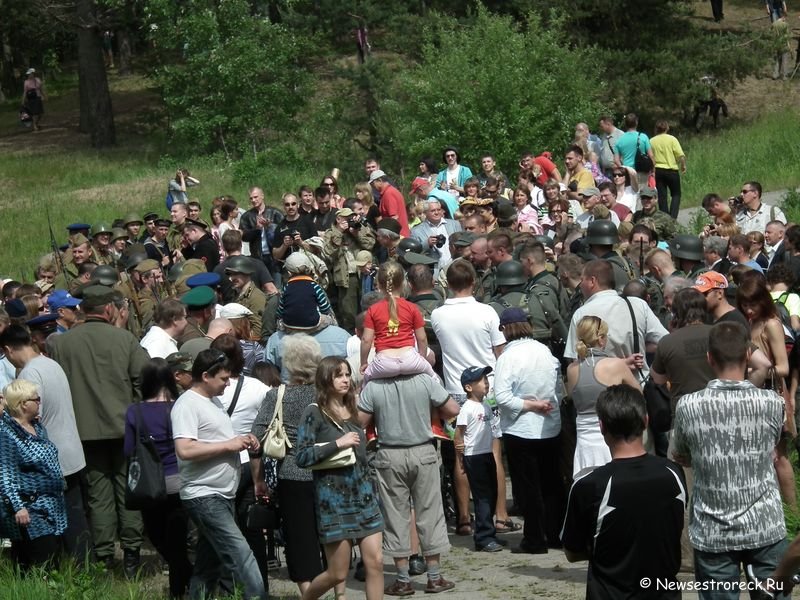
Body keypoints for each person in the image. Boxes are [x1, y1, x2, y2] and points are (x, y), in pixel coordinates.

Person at [671, 322, 787, 597]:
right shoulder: (771, 403)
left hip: (713, 530)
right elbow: (776, 448)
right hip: (765, 524)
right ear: (747, 355)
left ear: (709, 357)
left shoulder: (688, 405)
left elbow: (681, 455)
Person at [49, 285, 148, 574]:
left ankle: (104, 554)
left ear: (82, 310)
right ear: (109, 310)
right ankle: (131, 553)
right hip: (124, 429)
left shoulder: (62, 344)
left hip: (83, 432)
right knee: (128, 490)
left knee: (98, 495)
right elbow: (143, 379)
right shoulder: (125, 339)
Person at [561, 383, 686, 599]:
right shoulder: (673, 472)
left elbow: (572, 552)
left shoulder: (588, 485)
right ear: (646, 421)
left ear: (601, 427)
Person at [250, 336, 345, 596]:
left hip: (291, 474)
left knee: (300, 541)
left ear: (288, 363)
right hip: (329, 470)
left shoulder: (277, 395)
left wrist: (258, 479)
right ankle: (340, 593)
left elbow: (256, 437)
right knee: (334, 536)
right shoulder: (327, 394)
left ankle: (309, 593)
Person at [171, 349, 266, 600]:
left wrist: (245, 440)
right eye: (223, 378)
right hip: (204, 495)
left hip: (222, 494)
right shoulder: (187, 405)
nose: (228, 383)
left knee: (207, 566)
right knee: (241, 554)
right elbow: (185, 448)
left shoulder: (212, 401)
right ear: (205, 375)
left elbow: (218, 439)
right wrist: (228, 445)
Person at [295, 357, 384, 600]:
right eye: (338, 375)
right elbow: (301, 457)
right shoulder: (314, 412)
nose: (345, 380)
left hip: (365, 496)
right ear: (326, 379)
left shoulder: (354, 409)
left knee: (375, 562)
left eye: (347, 374)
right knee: (337, 573)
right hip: (333, 501)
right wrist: (337, 444)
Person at [0, 325, 89, 560]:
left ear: (8, 350)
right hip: (72, 450)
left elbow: (29, 419)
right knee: (75, 516)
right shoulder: (51, 363)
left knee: (60, 522)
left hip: (50, 461)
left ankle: (73, 570)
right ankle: (84, 568)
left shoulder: (29, 374)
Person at [493, 308, 563, 554]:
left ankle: (534, 539)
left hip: (521, 429)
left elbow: (501, 395)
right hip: (549, 425)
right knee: (552, 483)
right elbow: (558, 386)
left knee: (528, 487)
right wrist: (544, 405)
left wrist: (528, 404)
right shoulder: (544, 351)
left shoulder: (507, 358)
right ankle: (554, 533)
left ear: (504, 329)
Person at [123, 359, 193, 598]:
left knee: (157, 536)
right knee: (178, 539)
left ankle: (182, 583)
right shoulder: (180, 407)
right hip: (179, 481)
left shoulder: (135, 411)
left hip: (150, 485)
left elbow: (128, 449)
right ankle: (183, 583)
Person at [0, 379, 67, 569]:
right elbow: (6, 475)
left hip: (51, 507)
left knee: (49, 561)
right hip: (30, 510)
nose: (40, 402)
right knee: (42, 563)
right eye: (36, 399)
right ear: (23, 404)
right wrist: (17, 507)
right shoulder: (7, 435)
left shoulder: (37, 427)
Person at [566, 316, 641, 479]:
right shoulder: (615, 365)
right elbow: (638, 394)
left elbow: (571, 395)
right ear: (600, 339)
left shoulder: (572, 369)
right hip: (611, 438)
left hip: (584, 444)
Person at [454, 366, 504, 553]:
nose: (486, 382)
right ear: (468, 387)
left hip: (486, 454)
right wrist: (461, 458)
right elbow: (459, 434)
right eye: (481, 380)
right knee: (482, 496)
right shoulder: (467, 409)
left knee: (491, 494)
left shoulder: (485, 405)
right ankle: (483, 537)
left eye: (486, 379)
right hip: (473, 456)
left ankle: (489, 534)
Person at [650, 120, 686, 219]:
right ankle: (673, 217)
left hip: (658, 170)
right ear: (667, 128)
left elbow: (650, 156)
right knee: (676, 194)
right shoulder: (672, 139)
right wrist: (683, 166)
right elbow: (681, 155)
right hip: (672, 170)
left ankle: (665, 218)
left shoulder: (652, 141)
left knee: (662, 196)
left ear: (656, 129)